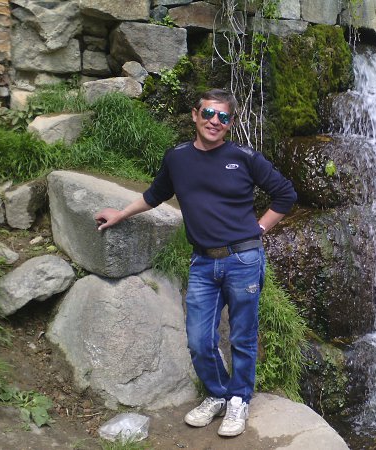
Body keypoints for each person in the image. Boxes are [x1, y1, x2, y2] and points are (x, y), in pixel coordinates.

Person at [94, 88, 297, 437]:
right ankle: (217, 394)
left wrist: (259, 229)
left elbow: (286, 194)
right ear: (195, 115)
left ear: (230, 123)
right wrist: (121, 214)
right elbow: (155, 195)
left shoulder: (245, 158)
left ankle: (239, 399)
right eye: (208, 113)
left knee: (243, 337)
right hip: (203, 262)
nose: (215, 121)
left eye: (223, 116)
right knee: (199, 340)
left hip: (243, 259)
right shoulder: (177, 158)